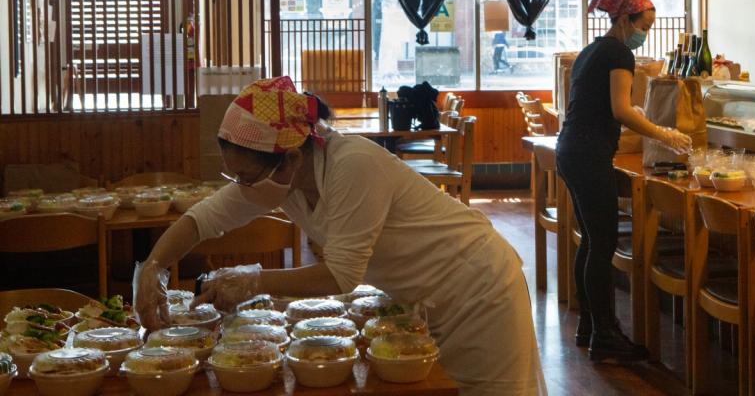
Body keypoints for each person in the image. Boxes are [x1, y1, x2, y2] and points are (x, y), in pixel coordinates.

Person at [134, 76, 545, 396]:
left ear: (290, 158)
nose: (242, 187)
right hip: (423, 297)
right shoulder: (284, 181)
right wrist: (152, 267)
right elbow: (203, 219)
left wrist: (253, 283)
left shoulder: (353, 166)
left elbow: (341, 276)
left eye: (246, 176)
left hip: (479, 289)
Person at [555, 0, 693, 363]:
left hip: (570, 149)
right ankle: (606, 334)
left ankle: (590, 327)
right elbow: (621, 108)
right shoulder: (618, 52)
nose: (645, 33)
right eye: (643, 26)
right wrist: (664, 133)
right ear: (624, 20)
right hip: (588, 153)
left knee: (590, 242)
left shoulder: (591, 50)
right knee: (601, 244)